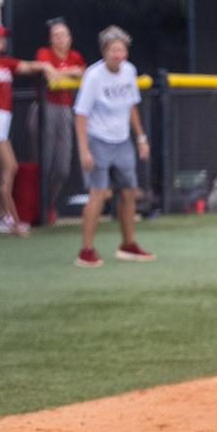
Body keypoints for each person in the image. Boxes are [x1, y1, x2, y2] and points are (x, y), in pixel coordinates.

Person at [73, 25, 154, 267]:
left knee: (129, 191)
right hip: (98, 141)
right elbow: (80, 114)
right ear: (104, 51)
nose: (117, 54)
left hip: (123, 141)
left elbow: (131, 106)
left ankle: (128, 245)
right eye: (113, 50)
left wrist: (140, 138)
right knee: (98, 194)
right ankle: (86, 250)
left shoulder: (129, 71)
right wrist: (84, 149)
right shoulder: (94, 76)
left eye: (121, 50)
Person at [0, 23, 53, 236]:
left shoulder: (3, 61)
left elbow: (26, 66)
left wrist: (47, 66)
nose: (1, 40)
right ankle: (4, 215)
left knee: (1, 169)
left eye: (3, 37)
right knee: (9, 166)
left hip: (1, 121)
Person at [28, 17, 86, 224]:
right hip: (45, 108)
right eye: (57, 35)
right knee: (45, 164)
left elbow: (84, 76)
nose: (62, 39)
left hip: (65, 110)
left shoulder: (75, 55)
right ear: (50, 40)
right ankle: (39, 209)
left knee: (62, 168)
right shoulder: (44, 53)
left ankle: (47, 203)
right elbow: (51, 76)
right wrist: (69, 73)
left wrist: (62, 74)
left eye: (65, 34)